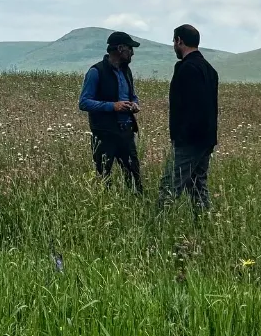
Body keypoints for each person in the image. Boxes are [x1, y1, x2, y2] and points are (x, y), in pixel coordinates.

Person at [157, 24, 219, 217]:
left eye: (174, 42)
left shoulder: (187, 68)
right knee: (197, 186)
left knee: (169, 185)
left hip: (189, 140)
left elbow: (193, 107)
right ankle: (204, 224)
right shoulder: (209, 69)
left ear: (179, 41)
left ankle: (158, 226)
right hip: (206, 138)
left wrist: (182, 137)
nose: (174, 46)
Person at [78, 31, 143, 193]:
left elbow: (133, 96)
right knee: (104, 179)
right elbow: (84, 102)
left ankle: (135, 206)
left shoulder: (126, 72)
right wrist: (112, 106)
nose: (132, 53)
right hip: (104, 134)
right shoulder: (96, 72)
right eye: (130, 49)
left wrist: (135, 105)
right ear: (120, 49)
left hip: (126, 131)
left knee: (134, 178)